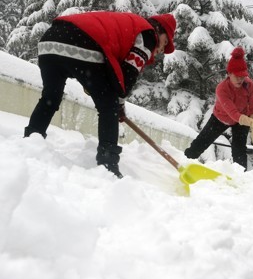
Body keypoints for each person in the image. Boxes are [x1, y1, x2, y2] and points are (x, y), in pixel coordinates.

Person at [24, 11, 176, 178]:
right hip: (80, 41)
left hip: (50, 41)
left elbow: (112, 75)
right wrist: (116, 105)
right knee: (108, 106)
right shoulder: (148, 35)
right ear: (158, 30)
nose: (161, 48)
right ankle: (108, 165)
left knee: (50, 98)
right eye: (165, 41)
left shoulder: (131, 27)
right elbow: (127, 77)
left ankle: (30, 142)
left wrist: (117, 101)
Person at [184, 47, 253, 170]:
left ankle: (240, 176)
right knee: (201, 142)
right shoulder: (222, 89)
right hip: (221, 118)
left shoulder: (249, 85)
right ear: (229, 74)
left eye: (242, 76)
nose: (240, 79)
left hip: (242, 119)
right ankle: (184, 163)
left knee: (239, 150)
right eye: (236, 76)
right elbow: (233, 113)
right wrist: (251, 122)